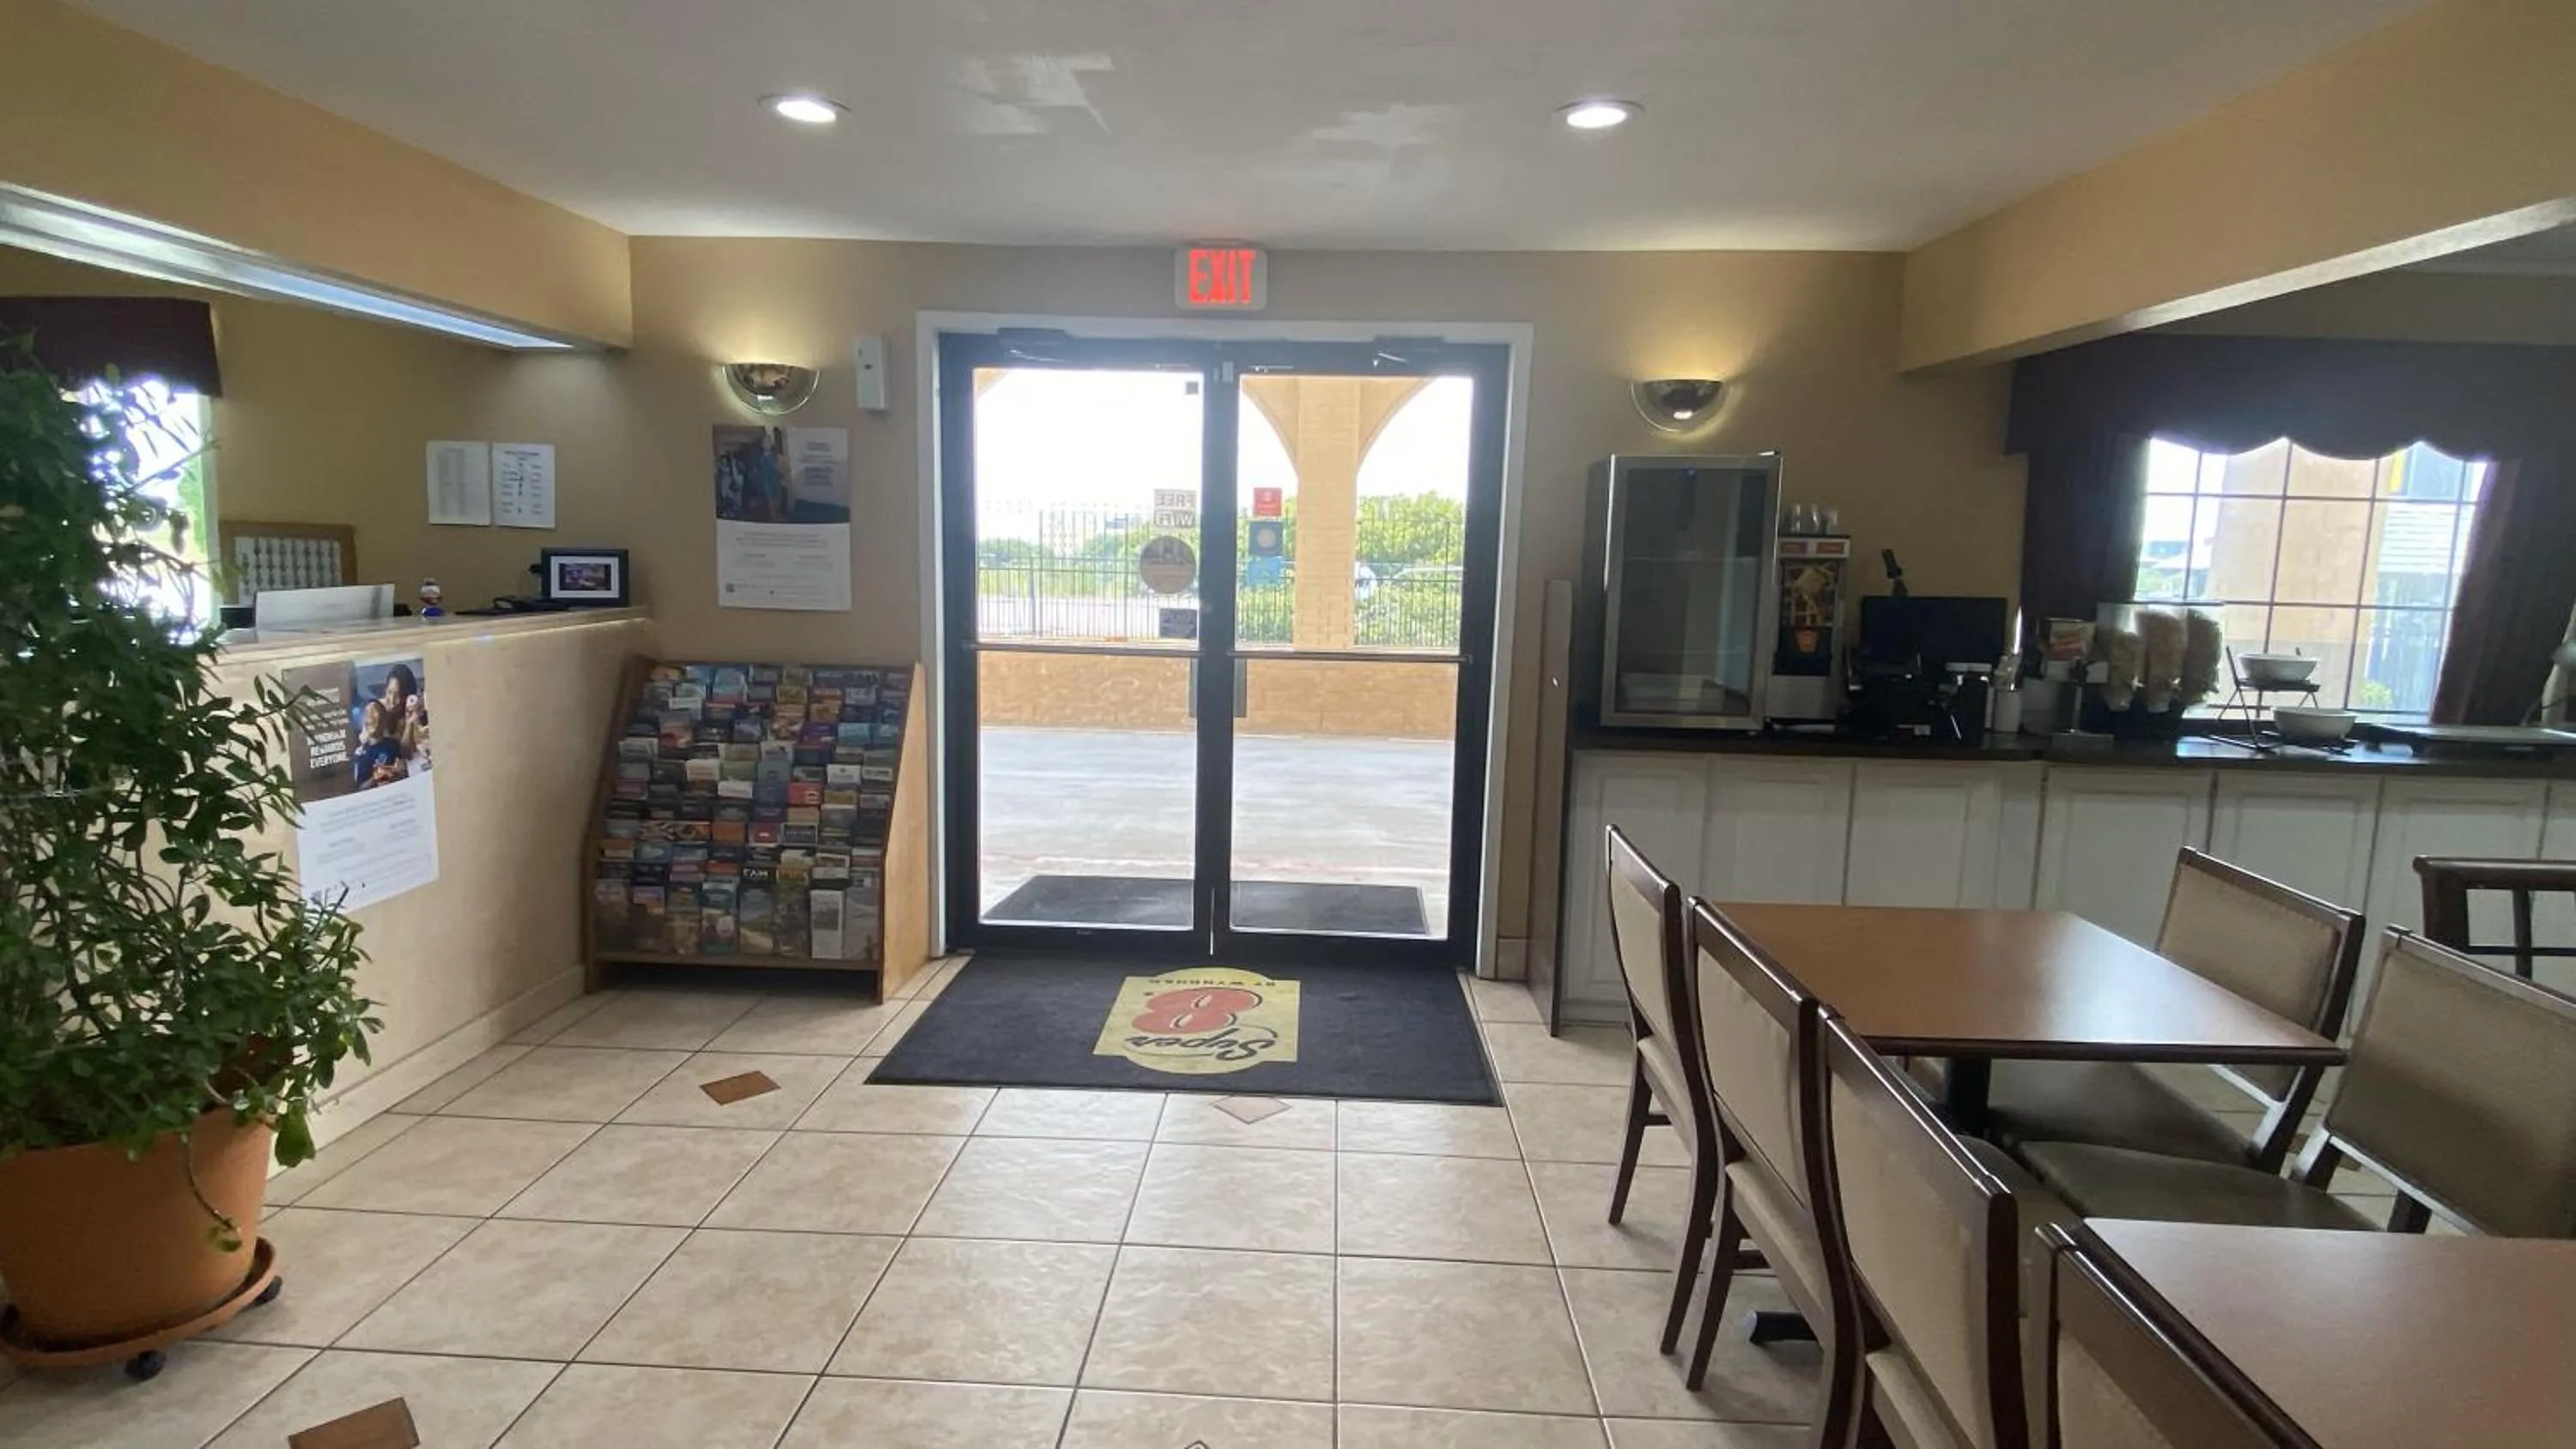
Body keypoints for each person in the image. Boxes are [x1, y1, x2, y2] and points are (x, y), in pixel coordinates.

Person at [352, 664, 426, 787]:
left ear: (407, 697)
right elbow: (365, 742)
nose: (392, 700)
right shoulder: (377, 710)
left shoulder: (411, 712)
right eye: (389, 692)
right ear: (385, 689)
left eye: (398, 696)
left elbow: (406, 753)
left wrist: (409, 722)